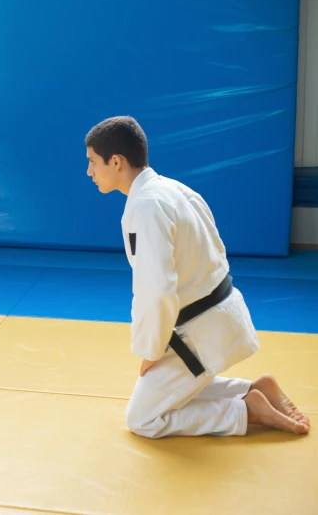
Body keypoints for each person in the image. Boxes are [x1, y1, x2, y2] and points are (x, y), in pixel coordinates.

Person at [84, 116, 310, 438]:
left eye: (93, 162)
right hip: (219, 316)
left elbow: (157, 290)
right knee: (165, 396)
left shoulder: (146, 207)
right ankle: (254, 389)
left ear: (116, 161)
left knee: (143, 417)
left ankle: (246, 409)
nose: (89, 171)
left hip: (199, 332)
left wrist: (152, 350)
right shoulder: (174, 190)